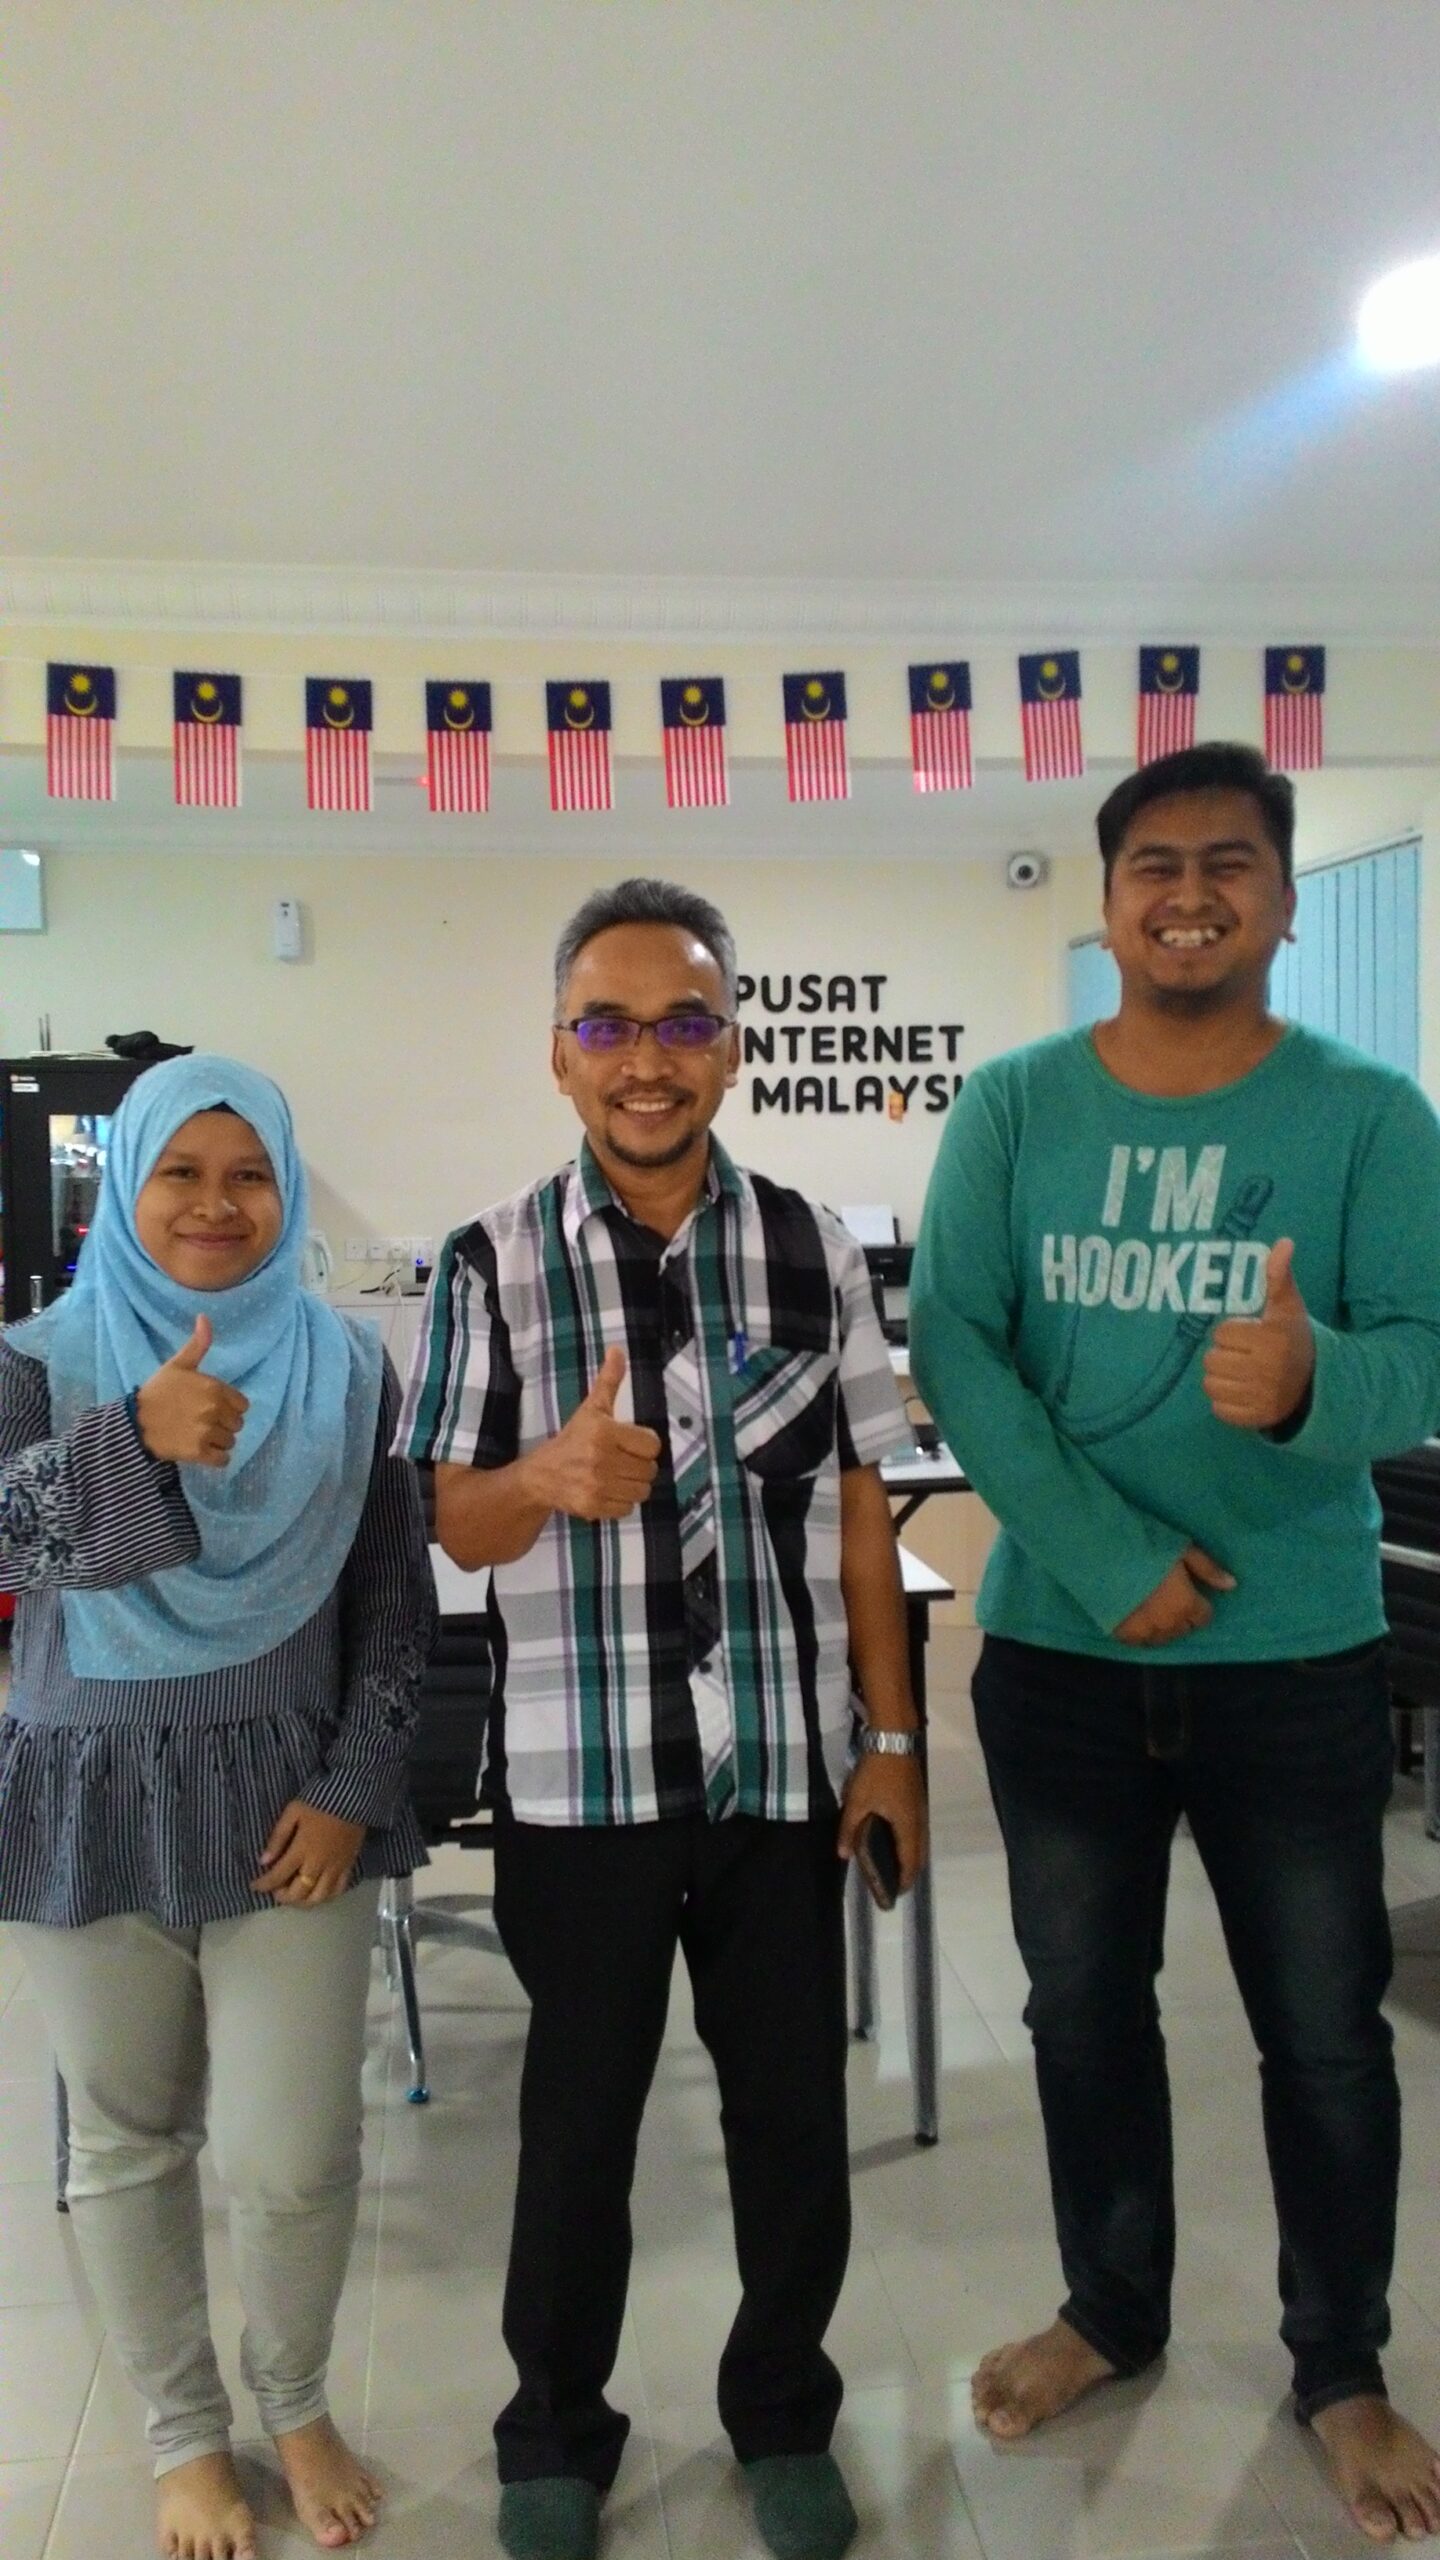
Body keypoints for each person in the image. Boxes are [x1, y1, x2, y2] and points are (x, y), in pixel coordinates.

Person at [910, 741, 1440, 2544]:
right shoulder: (1015, 1108)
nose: (1190, 892)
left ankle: (1342, 2365)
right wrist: (1109, 1556)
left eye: (1229, 862)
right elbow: (959, 1344)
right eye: (1155, 862)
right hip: (1065, 1661)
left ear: (1283, 901)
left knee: (1326, 2033)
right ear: (1111, 894)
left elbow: (1422, 1355)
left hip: (1294, 1659)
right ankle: (1111, 2310)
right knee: (1079, 2013)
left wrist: (1312, 1381)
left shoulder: (1369, 1116)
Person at [397, 877, 927, 2560]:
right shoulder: (486, 1259)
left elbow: (864, 1506)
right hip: (584, 1783)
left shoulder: (813, 1246)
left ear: (733, 1047)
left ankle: (783, 2413)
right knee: (578, 2134)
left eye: (685, 1021)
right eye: (609, 1025)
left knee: (792, 2124)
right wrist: (543, 1478)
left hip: (779, 1770)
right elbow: (445, 1512)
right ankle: (554, 2426)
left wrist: (893, 1748)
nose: (648, 1057)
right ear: (559, 1054)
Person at [0, 1056, 435, 2560]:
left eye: (248, 1174)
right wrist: (130, 1434)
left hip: (290, 1806)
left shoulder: (351, 1370)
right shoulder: (34, 1360)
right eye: (179, 1172)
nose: (215, 1204)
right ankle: (184, 2439)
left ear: (288, 1190)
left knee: (294, 2152)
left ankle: (296, 2404)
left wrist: (353, 1789)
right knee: (126, 2141)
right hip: (91, 1793)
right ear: (123, 1183)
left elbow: (394, 1601)